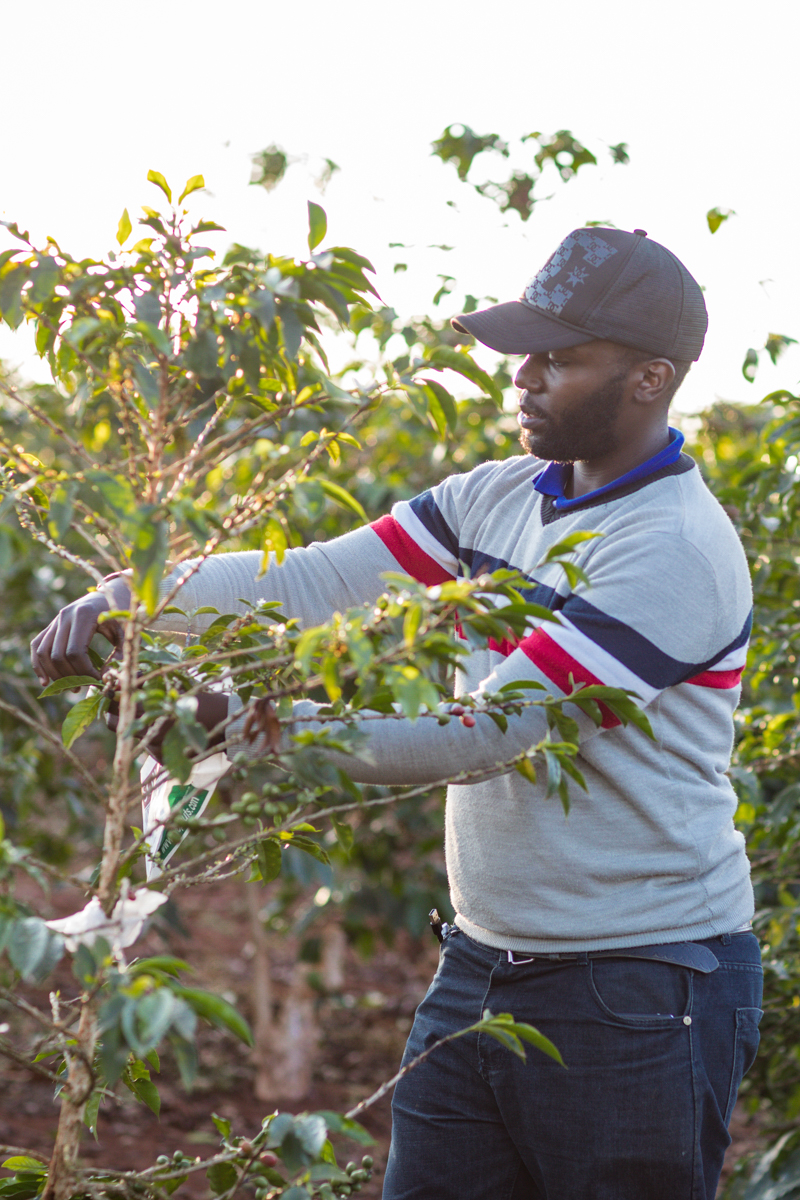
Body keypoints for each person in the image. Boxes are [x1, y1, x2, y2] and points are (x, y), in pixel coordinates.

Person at [32, 227, 762, 1200]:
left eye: (558, 358)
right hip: (480, 964)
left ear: (646, 379)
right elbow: (308, 581)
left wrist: (249, 731)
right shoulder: (497, 497)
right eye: (521, 351)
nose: (523, 377)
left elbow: (491, 735)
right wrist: (134, 592)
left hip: (637, 982)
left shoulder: (669, 547)